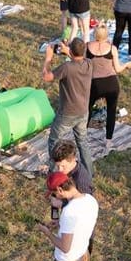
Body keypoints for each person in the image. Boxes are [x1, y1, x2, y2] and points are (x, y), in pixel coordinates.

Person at [43, 37, 98, 171]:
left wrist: (48, 58)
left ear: (71, 52)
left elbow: (46, 77)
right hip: (83, 112)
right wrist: (69, 51)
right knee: (82, 142)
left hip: (67, 113)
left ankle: (55, 173)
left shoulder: (67, 67)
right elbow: (78, 59)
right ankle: (88, 175)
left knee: (54, 142)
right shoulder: (89, 63)